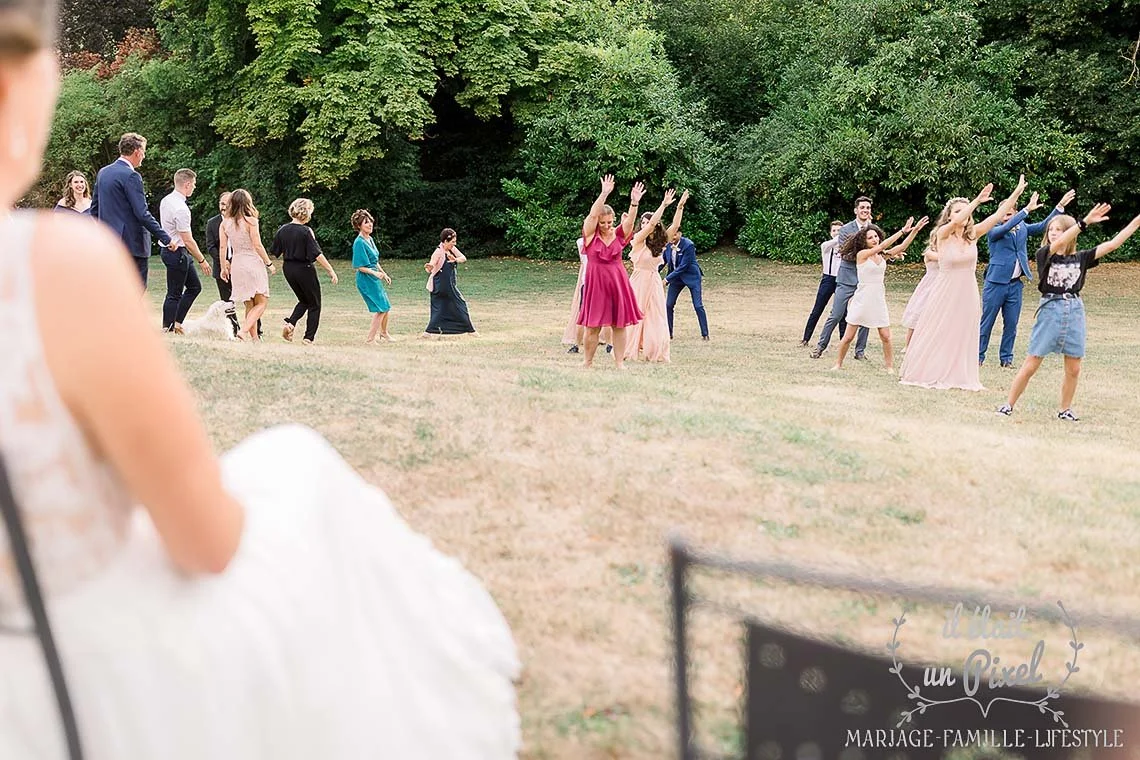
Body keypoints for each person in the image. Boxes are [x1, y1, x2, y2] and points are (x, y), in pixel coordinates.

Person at [0, 3, 520, 757]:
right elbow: (206, 542)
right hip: (67, 678)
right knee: (302, 467)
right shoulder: (54, 270)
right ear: (19, 82)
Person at [998, 204, 1140, 421]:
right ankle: (1008, 404)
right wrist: (1084, 223)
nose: (1053, 232)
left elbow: (1113, 244)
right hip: (1050, 310)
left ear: (1069, 232)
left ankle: (1065, 410)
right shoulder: (1044, 254)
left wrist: (1136, 222)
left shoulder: (1081, 258)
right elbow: (1061, 243)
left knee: (1073, 368)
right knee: (1031, 363)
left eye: (1059, 229)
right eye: (1051, 229)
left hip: (1074, 310)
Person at [899, 177, 1027, 391]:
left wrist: (1016, 193)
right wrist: (976, 201)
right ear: (949, 216)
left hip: (967, 292)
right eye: (958, 211)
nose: (963, 215)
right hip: (945, 291)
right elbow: (957, 223)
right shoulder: (943, 234)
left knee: (962, 333)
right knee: (938, 331)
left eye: (964, 211)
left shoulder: (973, 236)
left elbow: (997, 215)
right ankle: (930, 370)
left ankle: (958, 374)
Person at [979, 188, 1075, 367]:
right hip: (995, 283)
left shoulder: (1022, 227)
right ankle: (978, 356)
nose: (1006, 218)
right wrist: (1026, 210)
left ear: (1014, 212)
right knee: (987, 322)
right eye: (1003, 215)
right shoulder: (993, 229)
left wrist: (1060, 206)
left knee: (1011, 325)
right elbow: (1006, 227)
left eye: (1009, 214)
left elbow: (1043, 226)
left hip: (1015, 285)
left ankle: (1006, 359)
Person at [831, 217, 928, 373]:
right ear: (864, 241)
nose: (874, 239)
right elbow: (883, 245)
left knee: (886, 336)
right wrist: (902, 230)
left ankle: (889, 367)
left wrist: (915, 230)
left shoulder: (882, 255)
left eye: (876, 236)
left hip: (878, 299)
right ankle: (838, 364)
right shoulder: (862, 254)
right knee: (848, 337)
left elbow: (902, 246)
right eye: (870, 237)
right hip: (862, 299)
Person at [90, 131, 176, 287]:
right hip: (132, 245)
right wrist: (166, 238)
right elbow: (142, 213)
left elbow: (94, 210)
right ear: (137, 152)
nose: (144, 155)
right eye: (144, 151)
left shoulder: (103, 172)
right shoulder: (131, 176)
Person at [577, 175, 644, 368]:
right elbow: (591, 216)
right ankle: (587, 361)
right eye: (603, 222)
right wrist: (604, 193)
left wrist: (634, 203)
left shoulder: (618, 234)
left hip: (617, 281)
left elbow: (630, 223)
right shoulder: (590, 235)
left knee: (619, 324)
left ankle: (619, 362)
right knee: (593, 326)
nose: (607, 225)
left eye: (609, 222)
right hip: (596, 282)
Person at [810, 197, 873, 360]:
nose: (865, 210)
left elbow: (878, 249)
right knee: (836, 314)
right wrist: (869, 251)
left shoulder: (873, 229)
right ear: (856, 210)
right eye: (862, 208)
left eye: (868, 207)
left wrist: (889, 255)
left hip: (865, 278)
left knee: (865, 315)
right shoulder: (845, 229)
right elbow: (847, 252)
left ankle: (860, 351)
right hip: (846, 277)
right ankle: (820, 346)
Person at [273, 198, 337, 345]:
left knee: (304, 300)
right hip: (304, 268)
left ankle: (290, 324)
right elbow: (317, 254)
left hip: (288, 268)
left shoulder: (282, 230)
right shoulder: (306, 231)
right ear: (306, 212)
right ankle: (308, 338)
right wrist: (330, 270)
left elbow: (276, 251)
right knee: (315, 304)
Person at [624, 189, 677, 363]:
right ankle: (628, 348)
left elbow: (674, 227)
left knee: (656, 315)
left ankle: (654, 349)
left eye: (650, 222)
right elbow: (652, 223)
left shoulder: (660, 243)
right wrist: (662, 204)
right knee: (635, 314)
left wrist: (679, 206)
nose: (648, 225)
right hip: (639, 280)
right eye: (644, 222)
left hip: (653, 280)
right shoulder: (638, 239)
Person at [158, 168, 211, 334]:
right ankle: (168, 327)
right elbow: (188, 240)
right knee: (174, 293)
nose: (194, 188)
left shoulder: (166, 200)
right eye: (194, 184)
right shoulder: (181, 208)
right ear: (187, 184)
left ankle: (177, 322)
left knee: (195, 287)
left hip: (174, 251)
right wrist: (202, 260)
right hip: (177, 252)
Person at [219, 188, 275, 342]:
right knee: (262, 302)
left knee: (249, 305)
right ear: (247, 203)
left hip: (237, 264)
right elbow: (257, 245)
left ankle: (255, 339)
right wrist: (269, 263)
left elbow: (223, 247)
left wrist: (224, 267)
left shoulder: (225, 223)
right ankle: (243, 331)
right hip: (252, 262)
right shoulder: (251, 221)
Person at [662, 190, 709, 341]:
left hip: (691, 276)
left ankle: (705, 334)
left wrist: (666, 280)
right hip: (676, 279)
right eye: (672, 234)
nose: (673, 237)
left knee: (697, 305)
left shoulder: (688, 245)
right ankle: (668, 334)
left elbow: (683, 266)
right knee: (668, 305)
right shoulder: (668, 245)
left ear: (680, 234)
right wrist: (652, 274)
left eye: (676, 234)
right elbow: (662, 262)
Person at [561, 237, 613, 354]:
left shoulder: (583, 242)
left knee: (585, 314)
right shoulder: (601, 241)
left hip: (592, 281)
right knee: (598, 315)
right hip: (596, 281)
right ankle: (608, 344)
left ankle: (577, 345)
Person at [424, 228, 477, 336]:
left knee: (444, 307)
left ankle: (428, 332)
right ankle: (470, 331)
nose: (454, 243)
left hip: (450, 284)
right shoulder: (438, 252)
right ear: (445, 241)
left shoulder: (452, 249)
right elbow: (431, 265)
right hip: (440, 285)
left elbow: (463, 258)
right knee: (449, 306)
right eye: (452, 241)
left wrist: (455, 259)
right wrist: (429, 267)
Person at [350, 208, 393, 344]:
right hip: (366, 279)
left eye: (370, 222)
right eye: (366, 223)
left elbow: (375, 261)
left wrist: (384, 273)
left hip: (375, 278)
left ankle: (384, 333)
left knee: (386, 306)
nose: (370, 225)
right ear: (359, 226)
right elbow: (359, 266)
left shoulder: (370, 239)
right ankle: (370, 340)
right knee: (381, 308)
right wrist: (374, 273)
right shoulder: (359, 243)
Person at [801, 220, 844, 346]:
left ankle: (843, 341)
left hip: (842, 280)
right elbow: (835, 242)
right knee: (818, 309)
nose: (837, 233)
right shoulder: (826, 246)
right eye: (834, 230)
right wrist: (845, 233)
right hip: (828, 279)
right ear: (830, 233)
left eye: (840, 230)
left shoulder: (847, 247)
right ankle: (806, 338)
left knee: (843, 311)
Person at [205, 191, 241, 337]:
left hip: (240, 265)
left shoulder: (240, 221)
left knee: (249, 299)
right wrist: (224, 261)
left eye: (227, 203)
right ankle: (235, 331)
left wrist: (234, 261)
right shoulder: (212, 223)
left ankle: (256, 330)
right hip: (221, 268)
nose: (224, 206)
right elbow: (211, 246)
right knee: (227, 302)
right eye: (221, 203)